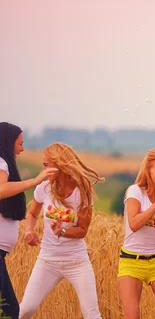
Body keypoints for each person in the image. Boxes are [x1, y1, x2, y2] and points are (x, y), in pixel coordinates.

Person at [20, 143, 104, 319]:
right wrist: (28, 231)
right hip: (47, 261)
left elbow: (82, 231)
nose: (43, 170)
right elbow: (33, 214)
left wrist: (62, 232)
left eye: (46, 165)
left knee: (92, 314)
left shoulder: (82, 191)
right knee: (26, 309)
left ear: (61, 164)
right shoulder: (43, 189)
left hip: (77, 262)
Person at [0, 122, 56, 319]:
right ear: (8, 142)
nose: (22, 148)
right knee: (10, 311)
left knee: (8, 310)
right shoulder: (1, 162)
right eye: (20, 143)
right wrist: (35, 181)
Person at [118, 148, 155, 319]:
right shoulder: (135, 191)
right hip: (132, 261)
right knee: (132, 316)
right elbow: (134, 223)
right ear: (148, 171)